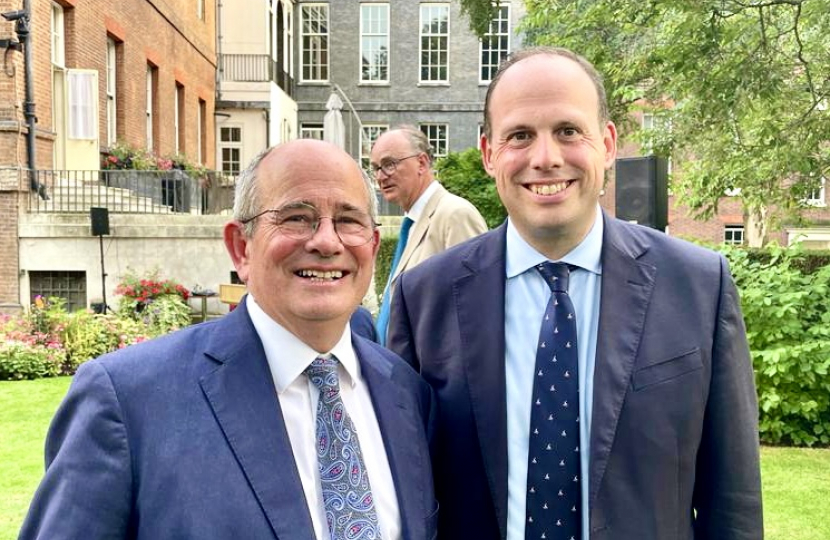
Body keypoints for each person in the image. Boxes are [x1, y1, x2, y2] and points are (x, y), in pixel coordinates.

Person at [388, 47, 762, 539]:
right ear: (489, 153)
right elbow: (406, 489)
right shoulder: (424, 297)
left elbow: (731, 502)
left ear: (607, 144)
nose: (546, 158)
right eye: (520, 135)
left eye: (568, 131)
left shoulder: (697, 285)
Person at [20, 140, 438, 540]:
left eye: (348, 220)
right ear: (241, 248)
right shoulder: (129, 401)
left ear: (372, 244)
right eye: (296, 217)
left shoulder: (405, 392)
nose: (327, 241)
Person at [371, 125, 487, 345]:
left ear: (422, 163)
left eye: (389, 165)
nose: (380, 176)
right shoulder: (413, 221)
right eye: (375, 168)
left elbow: (474, 313)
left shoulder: (455, 215)